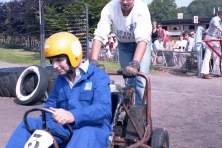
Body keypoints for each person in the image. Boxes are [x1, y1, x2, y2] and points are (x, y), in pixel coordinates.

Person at [6, 32, 112, 148]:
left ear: (74, 56)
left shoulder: (98, 76)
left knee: (84, 134)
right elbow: (49, 107)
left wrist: (73, 115)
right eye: (52, 61)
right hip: (65, 129)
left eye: (59, 60)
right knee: (29, 124)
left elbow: (103, 108)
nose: (55, 66)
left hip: (93, 128)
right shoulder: (60, 80)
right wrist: (45, 122)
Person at [90, 0, 152, 104]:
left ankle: (139, 111)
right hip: (124, 44)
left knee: (141, 80)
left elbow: (142, 39)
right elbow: (99, 35)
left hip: (141, 43)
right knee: (128, 79)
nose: (125, 2)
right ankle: (129, 108)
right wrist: (93, 61)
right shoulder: (110, 7)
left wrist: (135, 63)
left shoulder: (141, 9)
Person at [201, 11, 222, 79]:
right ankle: (205, 73)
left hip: (217, 39)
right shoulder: (215, 19)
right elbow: (218, 27)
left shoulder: (221, 21)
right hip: (211, 38)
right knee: (208, 55)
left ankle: (216, 72)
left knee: (217, 55)